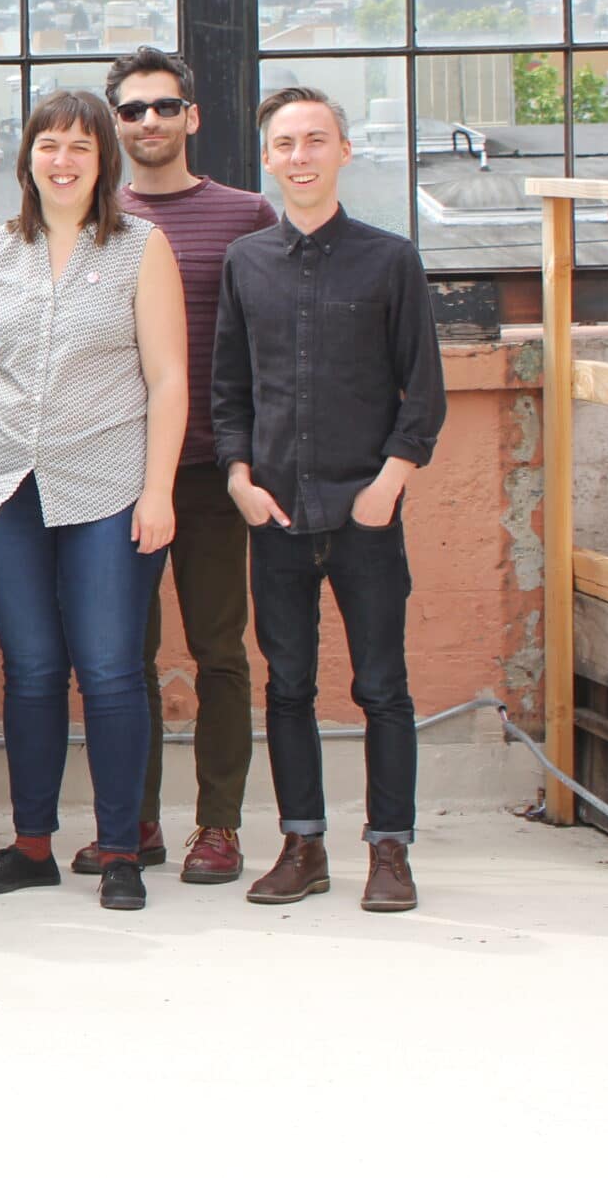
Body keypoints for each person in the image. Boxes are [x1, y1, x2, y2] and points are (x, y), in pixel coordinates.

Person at [0, 90, 187, 913]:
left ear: (103, 159)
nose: (64, 159)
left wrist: (158, 489)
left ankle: (119, 849)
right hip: (6, 484)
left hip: (109, 485)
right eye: (49, 144)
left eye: (81, 145)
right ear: (28, 158)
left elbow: (168, 377)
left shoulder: (141, 247)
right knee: (32, 670)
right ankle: (33, 843)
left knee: (110, 669)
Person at [214, 86, 446, 915]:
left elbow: (423, 391)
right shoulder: (246, 263)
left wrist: (388, 484)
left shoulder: (390, 259)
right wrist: (239, 478)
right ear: (267, 158)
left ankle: (390, 850)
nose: (301, 155)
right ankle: (302, 845)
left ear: (344, 151)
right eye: (285, 143)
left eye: (316, 139)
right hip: (275, 513)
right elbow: (229, 388)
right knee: (287, 685)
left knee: (382, 685)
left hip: (365, 512)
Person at [100, 46, 277, 884]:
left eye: (164, 105)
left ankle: (219, 823)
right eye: (132, 109)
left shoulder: (246, 214)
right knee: (121, 656)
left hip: (211, 469)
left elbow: (273, 336)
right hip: (114, 469)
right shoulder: (94, 214)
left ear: (192, 116)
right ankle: (133, 821)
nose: (149, 121)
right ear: (115, 123)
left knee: (219, 651)